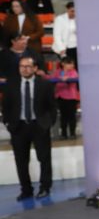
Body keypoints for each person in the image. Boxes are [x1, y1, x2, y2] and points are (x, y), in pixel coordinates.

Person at [1, 56, 56, 200]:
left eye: (28, 66)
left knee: (44, 158)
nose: (24, 69)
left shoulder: (44, 84)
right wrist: (8, 123)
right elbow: (6, 106)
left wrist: (48, 123)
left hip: (39, 125)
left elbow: (52, 106)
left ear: (35, 68)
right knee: (21, 160)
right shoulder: (11, 84)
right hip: (18, 127)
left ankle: (45, 187)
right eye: (21, 66)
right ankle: (26, 190)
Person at [52, 56, 79, 139]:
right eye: (69, 63)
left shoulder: (73, 72)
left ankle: (72, 133)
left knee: (72, 116)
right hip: (60, 97)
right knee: (63, 116)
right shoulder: (58, 72)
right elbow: (52, 78)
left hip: (71, 98)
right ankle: (63, 134)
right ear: (63, 64)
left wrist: (68, 78)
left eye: (73, 64)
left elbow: (75, 77)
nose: (72, 65)